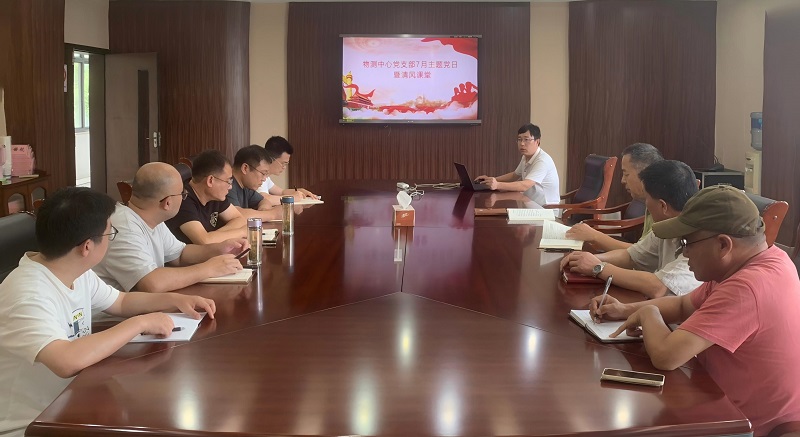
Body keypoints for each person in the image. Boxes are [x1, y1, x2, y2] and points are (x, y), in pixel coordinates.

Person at [0, 187, 216, 437]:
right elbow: (65, 360)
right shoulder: (27, 293)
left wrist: (176, 300)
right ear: (87, 247)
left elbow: (120, 302)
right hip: (32, 425)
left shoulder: (72, 269)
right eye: (109, 233)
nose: (110, 239)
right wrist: (139, 323)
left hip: (73, 401)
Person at [591, 185, 800, 437]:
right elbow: (683, 305)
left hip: (744, 424)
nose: (684, 252)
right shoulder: (765, 259)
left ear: (723, 245)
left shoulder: (747, 287)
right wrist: (625, 309)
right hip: (722, 401)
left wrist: (648, 314)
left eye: (687, 242)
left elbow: (667, 356)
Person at [93, 162, 248, 293]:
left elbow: (179, 255)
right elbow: (151, 283)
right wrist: (208, 269)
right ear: (167, 202)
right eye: (182, 194)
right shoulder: (123, 227)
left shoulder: (151, 217)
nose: (184, 197)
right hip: (114, 317)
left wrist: (219, 249)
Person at [560, 160, 701, 298]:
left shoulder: (701, 237)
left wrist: (599, 267)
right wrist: (588, 260)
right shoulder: (666, 225)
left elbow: (658, 287)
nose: (646, 204)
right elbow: (632, 256)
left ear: (663, 206)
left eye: (646, 198)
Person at [565, 143, 663, 251]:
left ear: (645, 174)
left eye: (626, 174)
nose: (622, 180)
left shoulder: (663, 208)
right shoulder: (649, 202)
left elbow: (642, 253)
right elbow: (641, 252)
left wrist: (595, 236)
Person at [166, 149, 248, 244]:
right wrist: (242, 232)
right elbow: (204, 241)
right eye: (228, 181)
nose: (230, 187)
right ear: (210, 180)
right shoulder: (182, 199)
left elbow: (239, 219)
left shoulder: (215, 195)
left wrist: (214, 236)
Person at [474, 123, 560, 206]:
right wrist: (491, 180)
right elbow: (514, 175)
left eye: (526, 139)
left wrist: (497, 185)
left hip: (546, 209)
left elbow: (525, 185)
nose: (522, 143)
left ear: (537, 141)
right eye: (519, 139)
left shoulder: (542, 160)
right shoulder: (526, 156)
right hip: (531, 203)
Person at [227, 145, 283, 220]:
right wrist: (273, 214)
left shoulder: (245, 185)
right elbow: (235, 215)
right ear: (245, 168)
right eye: (263, 173)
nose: (264, 179)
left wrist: (264, 210)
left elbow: (264, 201)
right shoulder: (227, 184)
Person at [258, 136, 319, 204]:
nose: (284, 167)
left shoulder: (266, 178)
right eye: (283, 163)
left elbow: (281, 192)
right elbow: (265, 199)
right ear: (271, 158)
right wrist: (293, 197)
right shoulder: (258, 176)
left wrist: (301, 191)